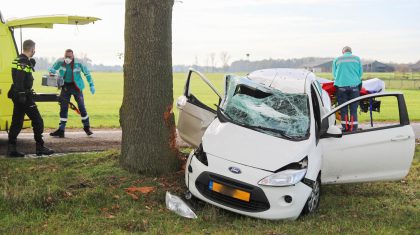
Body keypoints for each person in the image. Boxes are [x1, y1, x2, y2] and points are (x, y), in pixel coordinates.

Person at [7, 39, 54, 157]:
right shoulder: (23, 61)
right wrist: (22, 94)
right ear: (32, 49)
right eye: (34, 49)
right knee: (38, 121)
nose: (34, 51)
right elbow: (19, 78)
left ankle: (12, 149)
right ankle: (40, 147)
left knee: (16, 122)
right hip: (23, 96)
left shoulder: (18, 59)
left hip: (18, 95)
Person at [49, 49, 95, 138]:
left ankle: (87, 127)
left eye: (69, 57)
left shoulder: (79, 63)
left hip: (76, 87)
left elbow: (87, 74)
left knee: (81, 106)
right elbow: (52, 70)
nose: (67, 58)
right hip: (65, 86)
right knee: (63, 107)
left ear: (73, 56)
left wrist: (91, 85)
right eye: (66, 56)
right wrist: (52, 71)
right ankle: (61, 130)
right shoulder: (60, 61)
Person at [332, 46, 363, 132]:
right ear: (351, 52)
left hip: (341, 87)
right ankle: (353, 127)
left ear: (343, 52)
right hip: (355, 87)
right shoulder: (357, 59)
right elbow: (360, 74)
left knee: (343, 108)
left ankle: (345, 127)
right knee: (353, 108)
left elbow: (334, 75)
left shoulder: (337, 59)